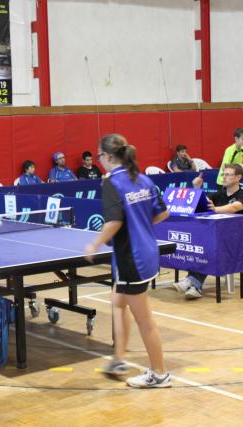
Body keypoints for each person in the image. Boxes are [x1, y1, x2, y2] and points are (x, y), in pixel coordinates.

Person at [84, 133, 171, 389]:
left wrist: (94, 244)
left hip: (131, 258)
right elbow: (163, 213)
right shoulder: (142, 178)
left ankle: (160, 374)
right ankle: (119, 359)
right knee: (117, 302)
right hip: (147, 252)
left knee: (144, 320)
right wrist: (140, 226)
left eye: (99, 156)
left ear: (108, 156)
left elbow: (114, 222)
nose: (98, 160)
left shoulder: (112, 183)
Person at [172, 164, 243, 299]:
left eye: (228, 174)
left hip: (236, 240)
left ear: (238, 177)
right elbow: (203, 202)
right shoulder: (219, 194)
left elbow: (235, 207)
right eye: (223, 174)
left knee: (209, 248)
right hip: (217, 236)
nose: (224, 177)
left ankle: (191, 281)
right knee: (199, 247)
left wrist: (216, 209)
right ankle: (195, 286)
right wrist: (196, 188)